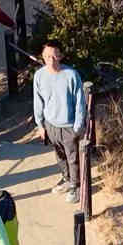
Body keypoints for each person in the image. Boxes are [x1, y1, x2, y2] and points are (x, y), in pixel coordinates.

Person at [33, 39, 87, 203]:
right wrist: (40, 125)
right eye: (47, 56)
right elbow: (38, 101)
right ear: (42, 56)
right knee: (59, 156)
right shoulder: (39, 75)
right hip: (50, 125)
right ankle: (66, 178)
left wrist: (77, 126)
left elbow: (79, 102)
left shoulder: (71, 75)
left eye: (54, 56)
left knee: (73, 158)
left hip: (69, 126)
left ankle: (76, 186)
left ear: (61, 56)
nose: (51, 60)